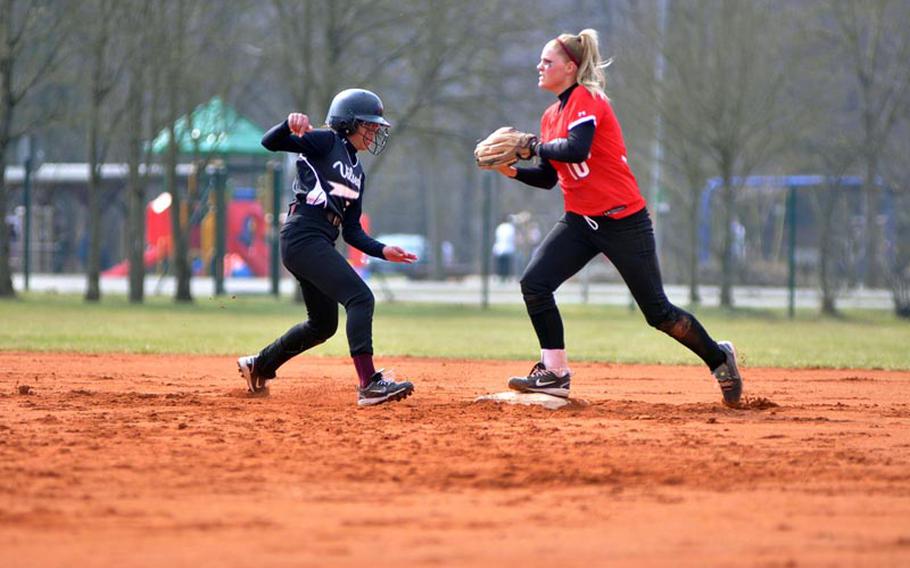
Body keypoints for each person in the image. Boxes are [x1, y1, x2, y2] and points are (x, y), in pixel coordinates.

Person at [482, 30, 743, 405]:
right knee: (534, 284)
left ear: (570, 68)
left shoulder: (587, 99)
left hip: (623, 220)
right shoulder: (550, 115)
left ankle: (720, 358)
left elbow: (577, 149)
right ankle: (554, 373)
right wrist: (512, 171)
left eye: (547, 61)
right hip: (580, 221)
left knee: (659, 313)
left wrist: (531, 147)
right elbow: (549, 176)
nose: (539, 67)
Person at [238, 88, 417, 406]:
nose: (374, 130)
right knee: (361, 298)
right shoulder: (327, 141)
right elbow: (270, 142)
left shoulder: (358, 173)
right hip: (302, 236)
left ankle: (259, 365)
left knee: (322, 325)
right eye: (368, 123)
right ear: (347, 123)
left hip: (318, 241)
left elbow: (351, 232)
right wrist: (287, 124)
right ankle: (369, 385)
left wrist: (383, 250)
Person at [492, 216, 516, 282]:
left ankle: (501, 278)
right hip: (508, 249)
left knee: (501, 264)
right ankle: (505, 278)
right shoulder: (510, 227)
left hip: (499, 249)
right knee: (506, 265)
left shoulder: (499, 227)